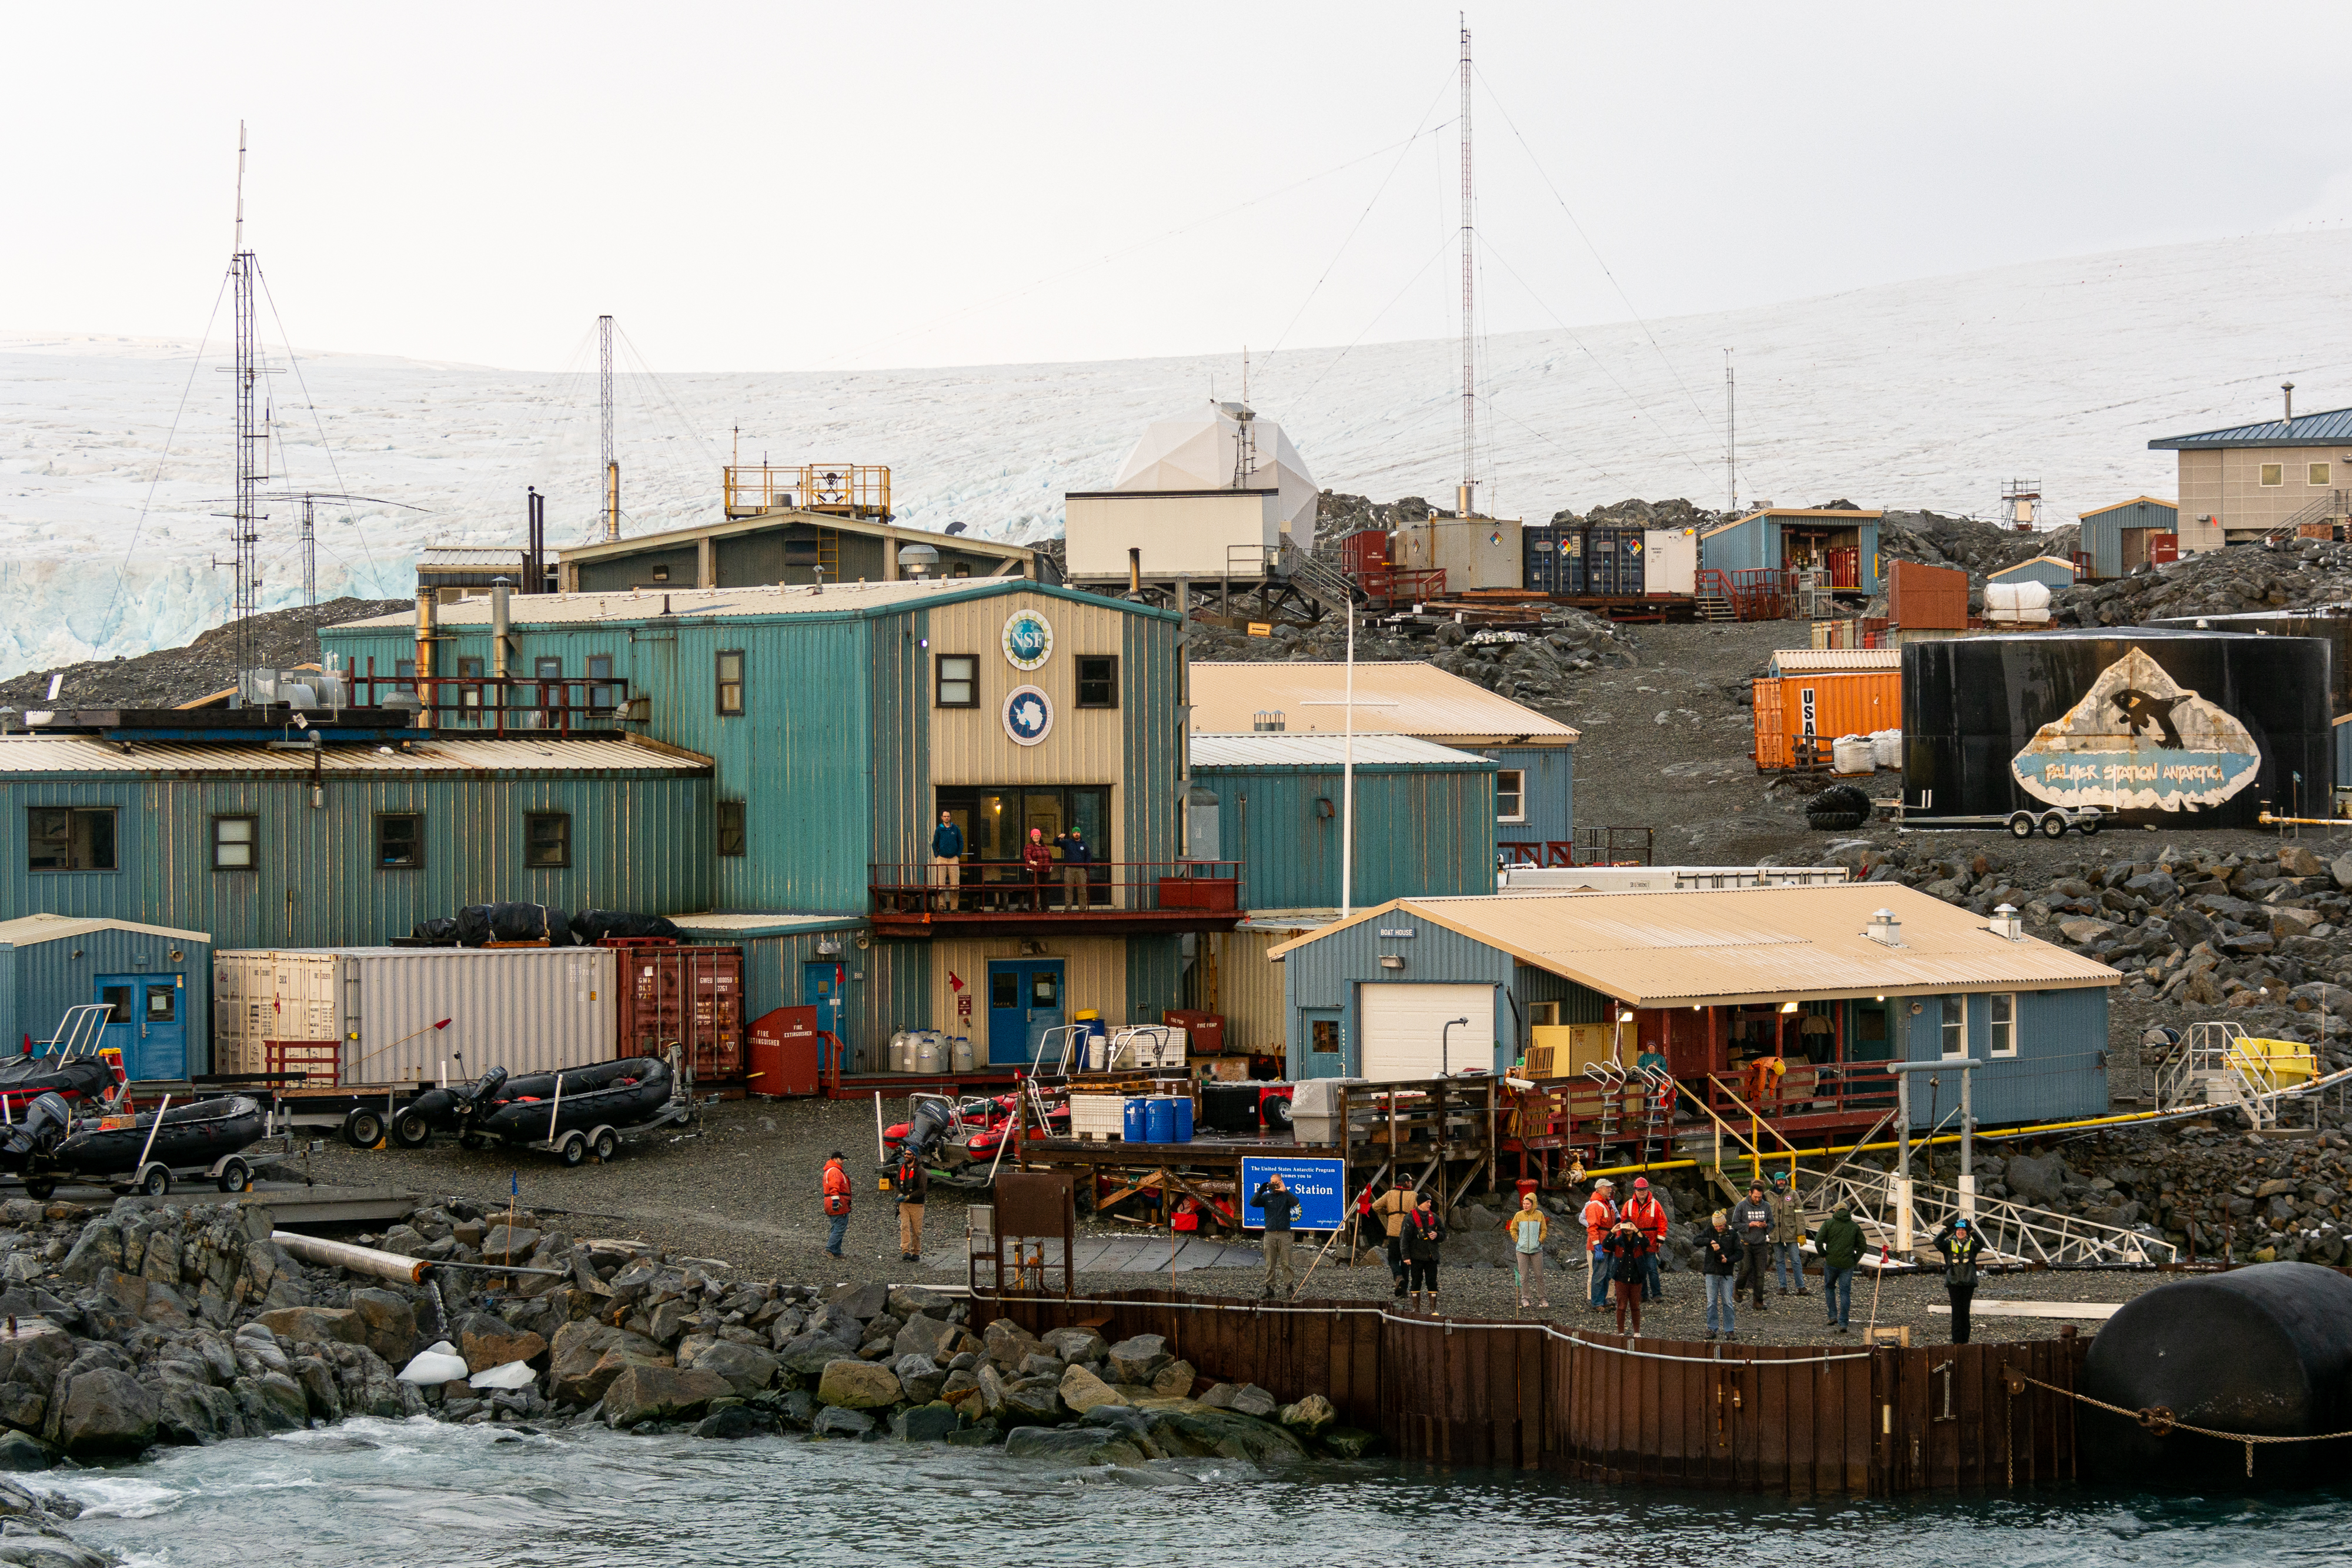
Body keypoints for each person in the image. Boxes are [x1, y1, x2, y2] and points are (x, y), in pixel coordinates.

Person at [1934, 1216, 1985, 1343]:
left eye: (1963, 1231)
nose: (1961, 1232)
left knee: (1965, 1312)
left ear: (1966, 1233)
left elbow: (1981, 1243)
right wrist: (1947, 1230)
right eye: (1958, 1230)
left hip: (1969, 1281)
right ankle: (1957, 1341)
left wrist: (1972, 1230)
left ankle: (1965, 1340)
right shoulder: (1948, 1244)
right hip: (1954, 1281)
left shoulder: (1972, 1245)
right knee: (1956, 1312)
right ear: (1955, 1232)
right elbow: (1937, 1242)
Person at [1816, 1202, 1865, 1332]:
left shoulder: (1828, 1224)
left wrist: (1824, 1255)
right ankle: (1843, 1323)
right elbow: (1863, 1247)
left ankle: (1832, 1316)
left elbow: (1818, 1241)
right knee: (1845, 1293)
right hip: (1847, 1264)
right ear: (1847, 1211)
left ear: (1835, 1211)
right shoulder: (1855, 1227)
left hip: (1831, 1262)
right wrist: (1855, 1260)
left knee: (1830, 1287)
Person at [1601, 1213, 1651, 1336]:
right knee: (1621, 1306)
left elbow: (1647, 1244)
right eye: (1626, 1227)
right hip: (1621, 1277)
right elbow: (1606, 1244)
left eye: (1630, 1227)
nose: (1628, 1229)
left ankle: (1637, 1332)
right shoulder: (1618, 1242)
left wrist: (1637, 1230)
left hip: (1636, 1277)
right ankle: (1621, 1332)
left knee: (1635, 1306)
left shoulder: (1639, 1242)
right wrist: (1613, 1231)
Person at [1729, 1181, 1775, 1311]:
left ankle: (1758, 1302)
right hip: (1746, 1244)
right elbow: (1735, 1224)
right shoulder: (1742, 1206)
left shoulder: (1766, 1206)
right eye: (1755, 1197)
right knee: (1745, 1270)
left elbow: (1772, 1223)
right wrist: (1749, 1225)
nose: (1757, 1199)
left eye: (1759, 1197)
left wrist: (1767, 1226)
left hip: (1761, 1244)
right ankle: (1738, 1289)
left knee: (1760, 1274)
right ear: (1750, 1193)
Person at [1623, 1176, 1670, 1303]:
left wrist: (1660, 1240)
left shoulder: (1655, 1204)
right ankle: (1643, 1295)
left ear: (1648, 1190)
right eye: (1639, 1190)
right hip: (1635, 1243)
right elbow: (1623, 1222)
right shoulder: (1629, 1205)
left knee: (1652, 1270)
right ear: (1635, 1191)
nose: (1642, 1192)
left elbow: (1662, 1222)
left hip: (1650, 1242)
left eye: (1644, 1190)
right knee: (1639, 1270)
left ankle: (1657, 1294)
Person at [1253, 1172, 1299, 1299]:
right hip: (1270, 1234)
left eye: (1276, 1183)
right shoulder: (1267, 1197)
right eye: (1272, 1183)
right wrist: (1261, 1191)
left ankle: (1289, 1287)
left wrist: (1285, 1191)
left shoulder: (1286, 1197)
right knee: (1270, 1263)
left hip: (1285, 1234)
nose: (1274, 1186)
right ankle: (1270, 1288)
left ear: (1281, 1182)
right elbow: (1253, 1203)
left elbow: (1295, 1202)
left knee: (1286, 1263)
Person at [1698, 1211, 1742, 1340]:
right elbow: (1697, 1240)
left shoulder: (1733, 1234)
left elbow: (1740, 1253)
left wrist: (1728, 1260)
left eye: (1720, 1226)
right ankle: (1712, 1328)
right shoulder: (1710, 1231)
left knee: (1727, 1302)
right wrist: (1710, 1241)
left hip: (1726, 1273)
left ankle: (1729, 1330)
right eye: (1716, 1226)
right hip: (1711, 1272)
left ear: (1725, 1223)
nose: (1718, 1228)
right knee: (1711, 1302)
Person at [1370, 1179, 1416, 1298]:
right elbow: (1419, 1212)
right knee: (1406, 1262)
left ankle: (1398, 1277)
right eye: (1410, 1182)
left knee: (1393, 1260)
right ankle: (1404, 1290)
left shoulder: (1390, 1194)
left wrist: (1387, 1212)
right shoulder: (1413, 1195)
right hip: (1407, 1233)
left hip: (1394, 1232)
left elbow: (1375, 1206)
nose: (1411, 1184)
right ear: (1406, 1183)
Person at [1505, 1192, 1549, 1311]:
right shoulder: (1519, 1215)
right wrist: (1517, 1239)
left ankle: (1543, 1299)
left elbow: (1544, 1230)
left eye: (1528, 1204)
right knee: (1524, 1276)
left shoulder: (1539, 1215)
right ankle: (1526, 1299)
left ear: (1533, 1204)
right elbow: (1512, 1228)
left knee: (1539, 1276)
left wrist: (1540, 1241)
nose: (1525, 1206)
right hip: (1522, 1250)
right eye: (1524, 1204)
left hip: (1537, 1250)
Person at [1768, 1170, 1809, 1297]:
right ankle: (1783, 1287)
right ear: (1775, 1182)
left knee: (1796, 1260)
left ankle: (1801, 1287)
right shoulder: (1768, 1195)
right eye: (1779, 1180)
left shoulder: (1793, 1194)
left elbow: (1800, 1215)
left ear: (1786, 1181)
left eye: (1783, 1180)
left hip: (1791, 1233)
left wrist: (1801, 1233)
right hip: (1776, 1234)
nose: (1781, 1182)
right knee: (1780, 1261)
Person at [1581, 1178, 1619, 1313]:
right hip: (1601, 1246)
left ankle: (1602, 1301)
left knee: (1607, 1275)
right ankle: (1597, 1303)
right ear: (1600, 1189)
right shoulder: (1596, 1205)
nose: (1610, 1190)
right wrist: (1597, 1247)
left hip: (1608, 1244)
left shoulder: (1606, 1204)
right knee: (1600, 1275)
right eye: (1608, 1187)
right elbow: (1592, 1228)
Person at [1403, 1192, 1445, 1311]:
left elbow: (1444, 1234)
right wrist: (1406, 1256)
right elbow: (1404, 1238)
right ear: (1421, 1203)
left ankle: (1433, 1310)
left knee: (1432, 1282)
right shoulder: (1410, 1218)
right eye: (1428, 1202)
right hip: (1416, 1256)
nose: (1429, 1204)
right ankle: (1416, 1309)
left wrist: (1437, 1235)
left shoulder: (1435, 1217)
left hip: (1431, 1256)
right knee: (1416, 1281)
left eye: (1430, 1202)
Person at [895, 1144, 929, 1263]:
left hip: (917, 1204)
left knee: (917, 1230)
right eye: (905, 1154)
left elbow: (922, 1189)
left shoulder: (921, 1171)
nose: (906, 1156)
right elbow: (896, 1183)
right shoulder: (901, 1168)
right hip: (904, 1204)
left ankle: (916, 1251)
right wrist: (900, 1194)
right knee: (904, 1226)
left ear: (914, 1156)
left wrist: (909, 1197)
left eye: (909, 1154)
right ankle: (905, 1250)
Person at [929, 810, 964, 911]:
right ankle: (941, 906)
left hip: (953, 858)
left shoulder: (955, 829)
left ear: (950, 817)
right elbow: (934, 844)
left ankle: (954, 907)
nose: (947, 818)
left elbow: (961, 842)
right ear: (942, 818)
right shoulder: (939, 830)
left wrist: (958, 856)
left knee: (955, 885)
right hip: (942, 858)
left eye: (948, 816)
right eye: (945, 816)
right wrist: (937, 856)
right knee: (941, 884)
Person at [821, 1152, 853, 1258]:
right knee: (840, 1227)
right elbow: (834, 1186)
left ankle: (836, 1251)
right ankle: (829, 1249)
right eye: (841, 1159)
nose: (843, 1161)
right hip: (838, 1203)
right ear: (835, 1159)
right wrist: (836, 1201)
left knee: (836, 1226)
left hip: (832, 1202)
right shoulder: (835, 1171)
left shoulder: (831, 1170)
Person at [1053, 826, 1092, 910]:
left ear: (1080, 834)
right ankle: (1068, 908)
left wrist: (1085, 867)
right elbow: (1056, 844)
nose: (1076, 834)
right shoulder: (1067, 843)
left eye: (1078, 832)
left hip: (1081, 870)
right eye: (1074, 833)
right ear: (1072, 834)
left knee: (1082, 890)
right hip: (1069, 869)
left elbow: (1088, 856)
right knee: (1068, 889)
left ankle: (1082, 909)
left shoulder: (1084, 844)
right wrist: (1059, 837)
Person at [1022, 827, 1054, 910]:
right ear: (1032, 837)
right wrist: (1031, 861)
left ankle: (1045, 908)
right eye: (1035, 836)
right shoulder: (1029, 846)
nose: (1036, 837)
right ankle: (1033, 908)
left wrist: (1051, 866)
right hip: (1035, 871)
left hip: (1046, 871)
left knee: (1045, 890)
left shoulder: (1045, 846)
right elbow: (1027, 855)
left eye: (1038, 836)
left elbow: (1050, 857)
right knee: (1034, 890)